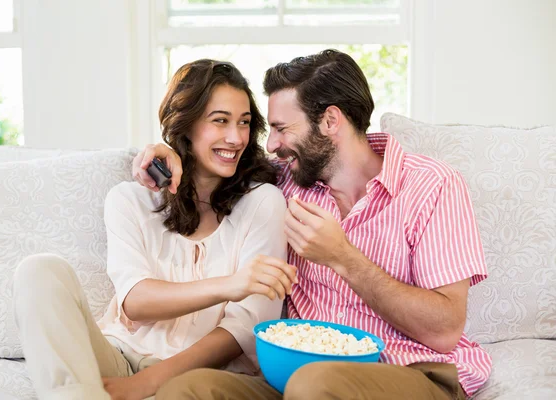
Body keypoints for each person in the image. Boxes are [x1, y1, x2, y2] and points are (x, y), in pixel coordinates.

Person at [133, 50, 492, 400]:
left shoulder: (431, 185)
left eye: (281, 129)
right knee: (188, 390)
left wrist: (342, 257)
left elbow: (445, 329)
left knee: (316, 383)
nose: (271, 145)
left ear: (330, 121)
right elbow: (218, 159)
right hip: (291, 378)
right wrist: (168, 151)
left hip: (407, 373)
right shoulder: (284, 181)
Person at [13, 59, 298, 400]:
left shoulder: (262, 202)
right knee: (40, 270)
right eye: (220, 121)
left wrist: (147, 383)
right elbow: (135, 301)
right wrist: (230, 285)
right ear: (186, 123)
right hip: (117, 357)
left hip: (198, 380)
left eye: (244, 123)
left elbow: (243, 329)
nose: (236, 138)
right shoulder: (130, 199)